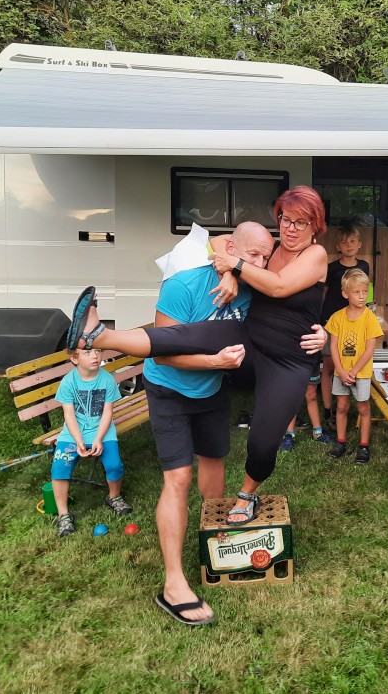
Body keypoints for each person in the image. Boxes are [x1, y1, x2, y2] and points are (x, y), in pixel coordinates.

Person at [68, 186, 329, 526]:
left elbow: (278, 286)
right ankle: (99, 336)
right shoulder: (271, 247)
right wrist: (228, 272)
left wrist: (236, 266)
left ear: (315, 225)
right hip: (249, 340)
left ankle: (247, 493)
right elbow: (218, 242)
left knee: (264, 440)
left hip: (289, 360)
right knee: (186, 335)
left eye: (301, 222)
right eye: (285, 219)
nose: (291, 228)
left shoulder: (315, 254)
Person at [145, 222, 273, 626]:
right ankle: (173, 584)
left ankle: (213, 542)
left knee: (214, 461)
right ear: (231, 248)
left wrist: (319, 335)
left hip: (211, 389)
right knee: (178, 477)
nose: (260, 264)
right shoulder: (182, 286)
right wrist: (214, 362)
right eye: (254, 255)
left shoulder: (251, 284)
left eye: (265, 258)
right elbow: (162, 353)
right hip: (169, 389)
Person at [50, 346, 131, 537]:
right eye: (87, 352)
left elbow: (108, 413)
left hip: (102, 430)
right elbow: (69, 414)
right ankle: (63, 515)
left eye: (98, 351)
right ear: (75, 359)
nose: (95, 355)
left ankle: (114, 496)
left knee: (115, 466)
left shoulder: (107, 379)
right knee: (59, 468)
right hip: (73, 433)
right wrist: (79, 441)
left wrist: (98, 439)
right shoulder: (68, 382)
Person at [325, 269, 383, 463]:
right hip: (341, 372)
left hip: (361, 373)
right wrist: (341, 371)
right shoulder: (337, 318)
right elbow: (333, 347)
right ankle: (340, 442)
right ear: (345, 293)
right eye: (356, 292)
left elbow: (369, 350)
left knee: (363, 408)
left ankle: (364, 446)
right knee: (341, 406)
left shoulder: (370, 319)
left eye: (364, 292)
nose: (361, 296)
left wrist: (354, 371)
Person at [318, 224, 370, 432]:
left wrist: (368, 310)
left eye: (352, 241)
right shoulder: (331, 268)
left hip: (355, 323)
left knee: (352, 360)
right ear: (338, 246)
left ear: (359, 244)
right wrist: (319, 317)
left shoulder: (364, 266)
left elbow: (366, 288)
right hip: (332, 320)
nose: (349, 245)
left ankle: (349, 404)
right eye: (344, 242)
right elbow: (323, 293)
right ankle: (328, 410)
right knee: (330, 366)